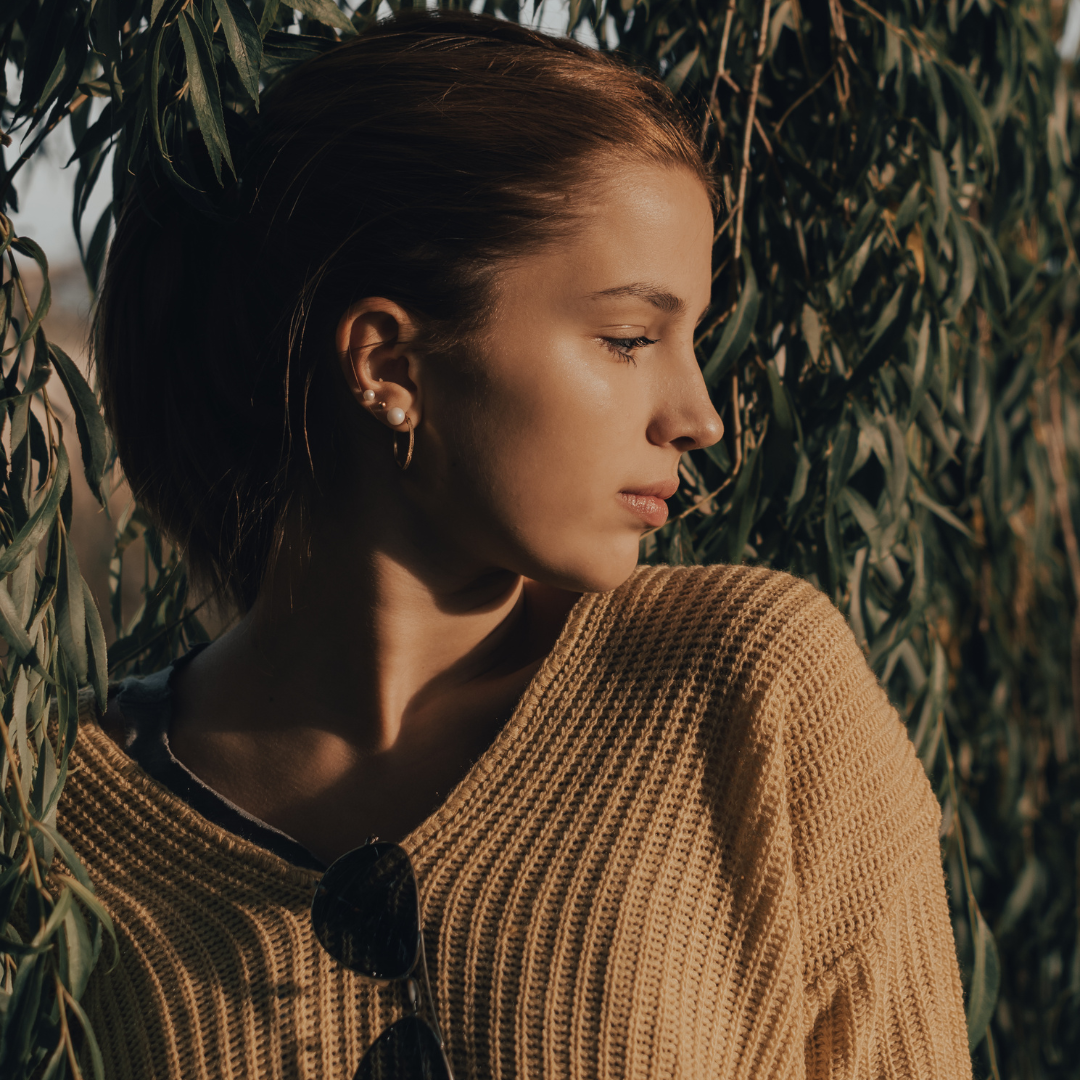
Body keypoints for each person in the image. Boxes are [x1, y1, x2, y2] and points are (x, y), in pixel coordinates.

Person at [61, 10, 972, 1079]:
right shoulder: (64, 818)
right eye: (628, 339)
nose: (699, 415)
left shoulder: (748, 695)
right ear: (389, 366)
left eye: (688, 337)